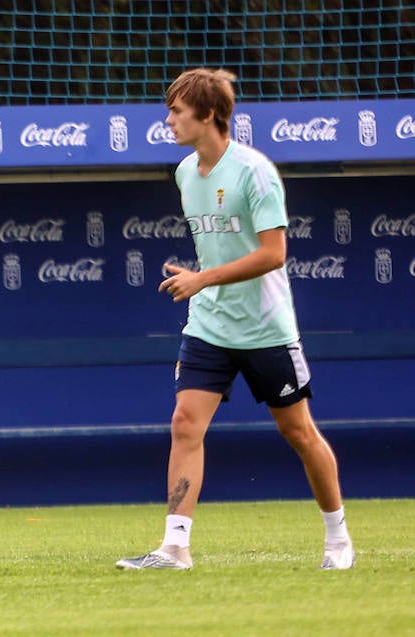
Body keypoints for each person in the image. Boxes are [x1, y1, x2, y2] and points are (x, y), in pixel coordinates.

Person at [116, 69, 354, 571]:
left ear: (207, 115)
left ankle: (338, 539)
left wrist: (203, 279)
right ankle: (174, 548)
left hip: (266, 328)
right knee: (185, 424)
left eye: (177, 110)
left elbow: (273, 254)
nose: (168, 120)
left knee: (298, 432)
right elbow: (218, 249)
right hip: (208, 327)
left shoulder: (254, 172)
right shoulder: (184, 173)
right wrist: (201, 281)